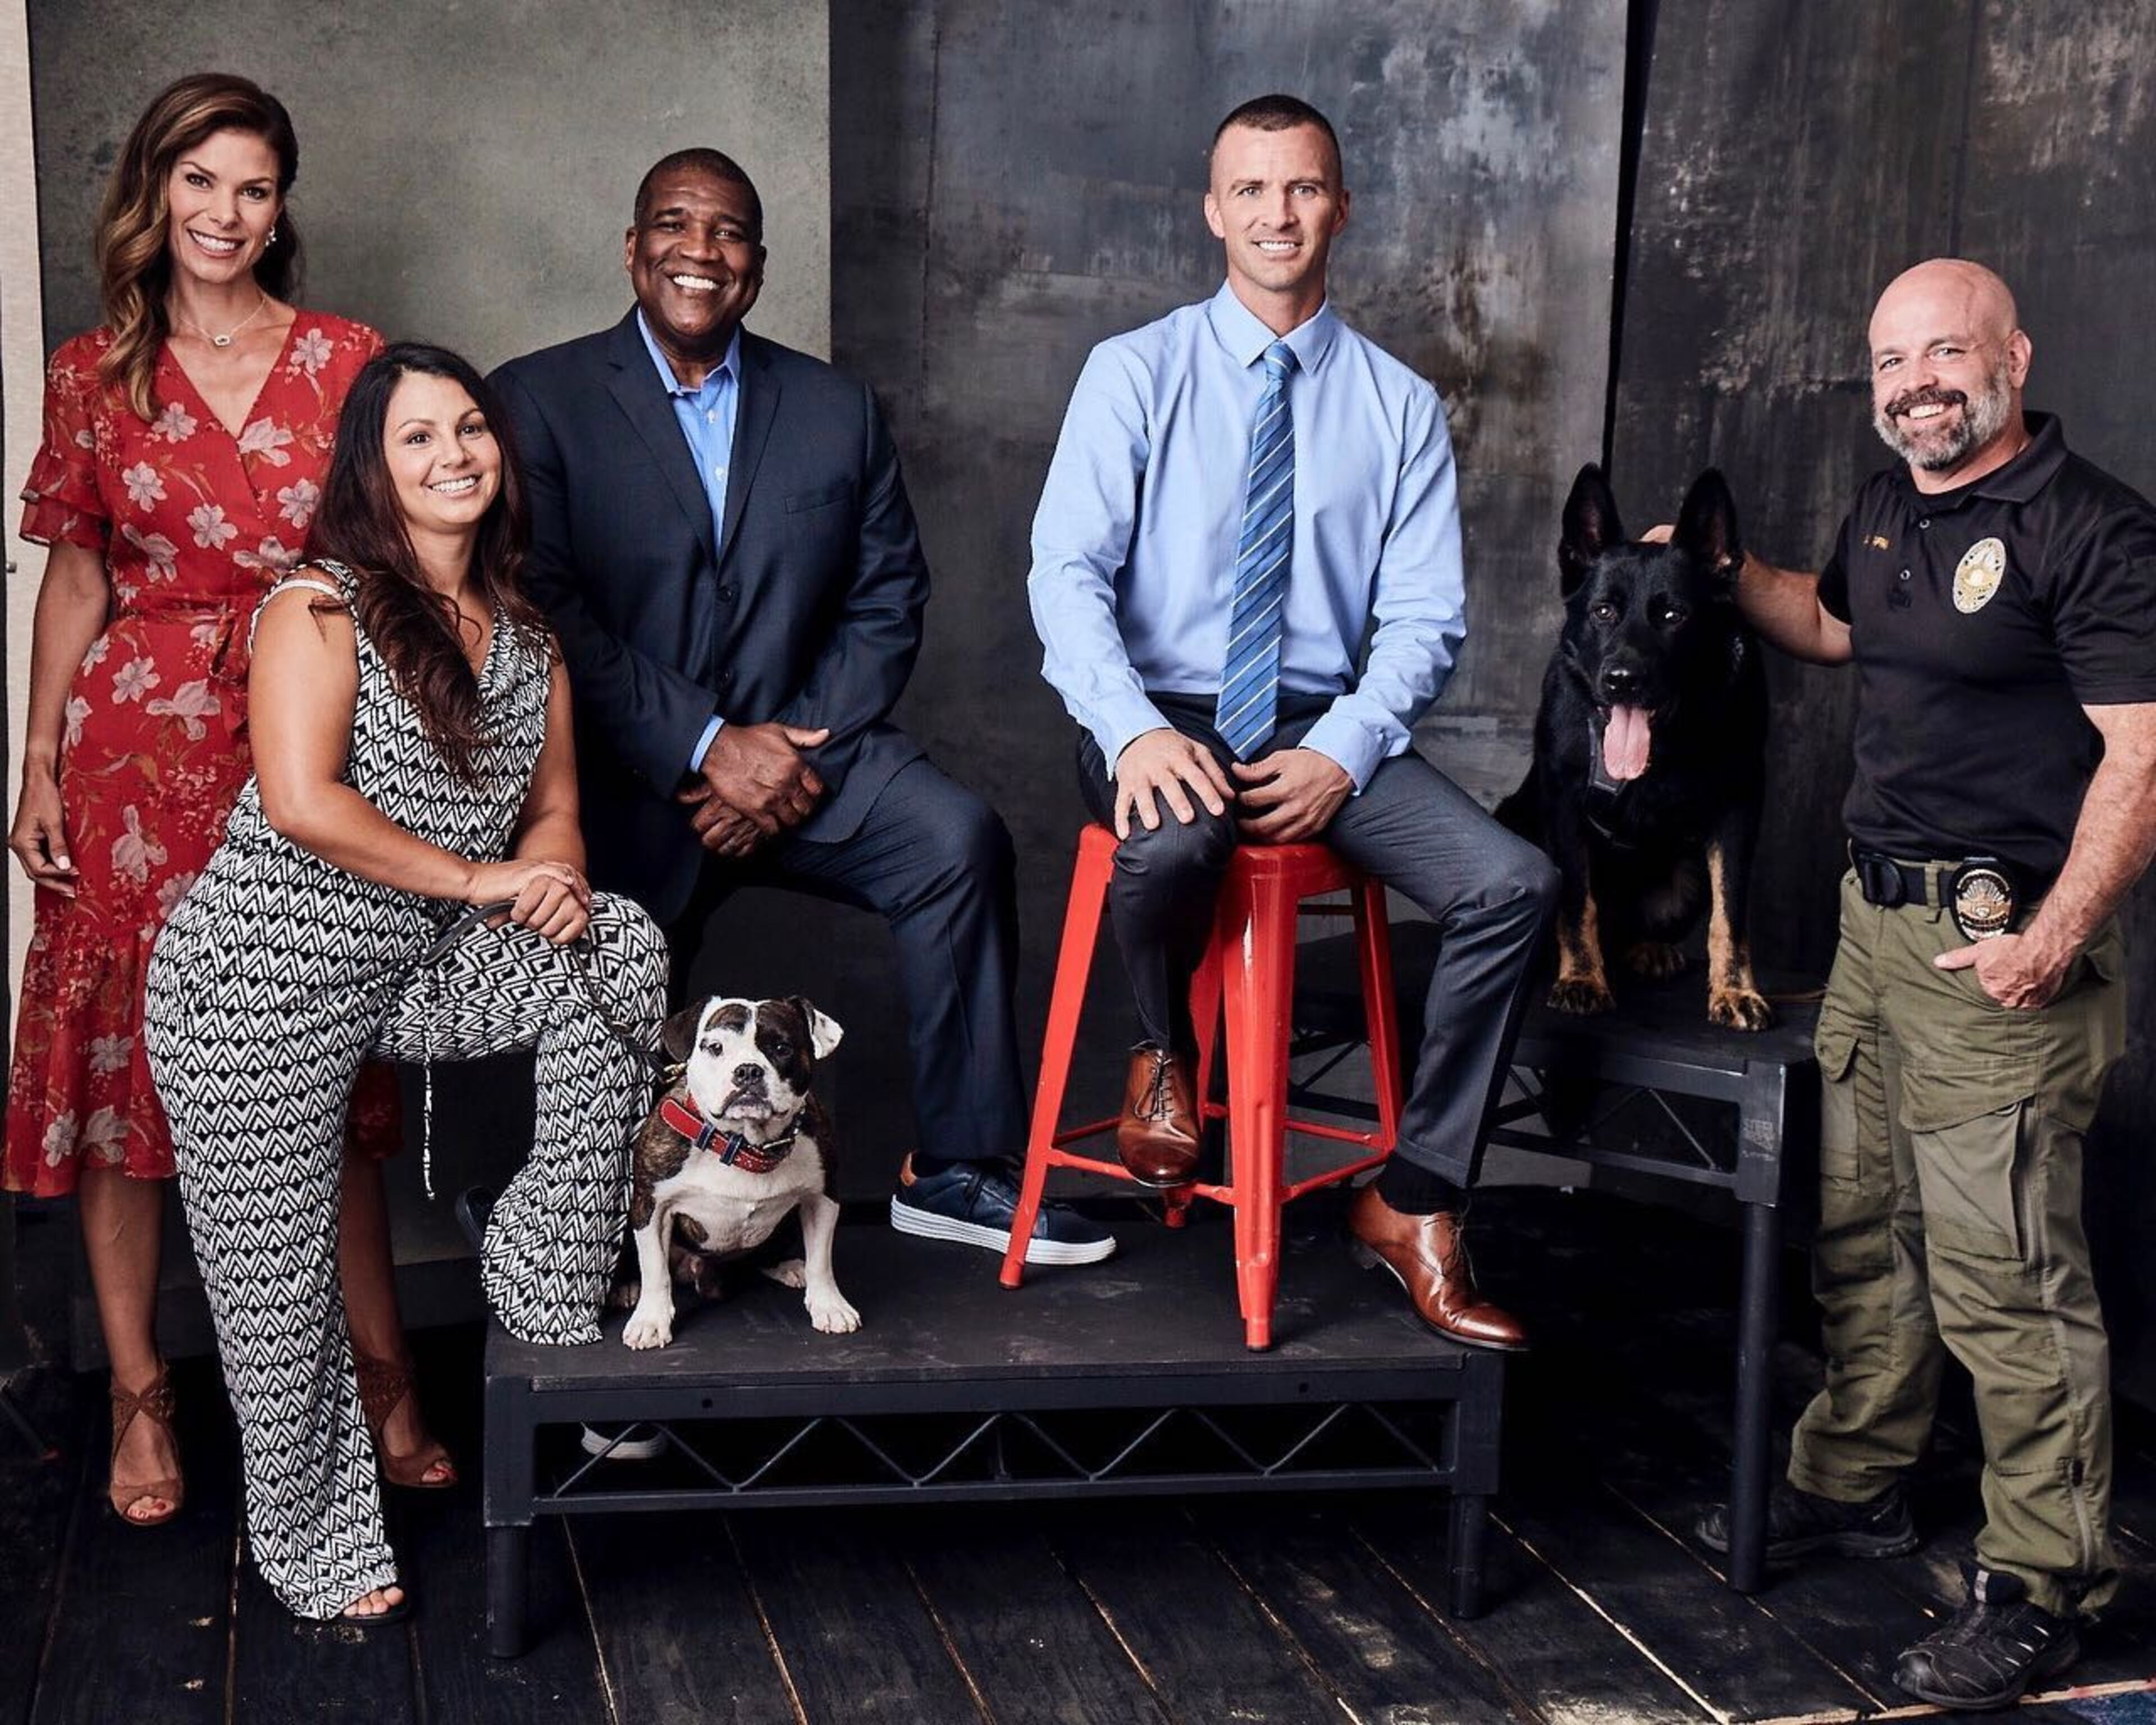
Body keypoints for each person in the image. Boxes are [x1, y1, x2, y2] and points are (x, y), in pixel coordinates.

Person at [489, 148, 1111, 1268]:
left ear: (758, 270)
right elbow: (544, 607)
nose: (700, 249)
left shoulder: (835, 410)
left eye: (727, 233)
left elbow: (889, 597)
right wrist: (705, 744)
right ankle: (610, 1227)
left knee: (952, 839)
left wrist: (784, 756)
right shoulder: (540, 400)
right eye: (674, 225)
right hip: (631, 781)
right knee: (604, 965)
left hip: (805, 761)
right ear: (632, 250)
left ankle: (961, 1171)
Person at [1688, 259, 2156, 1709]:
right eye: (1892, 365)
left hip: (1998, 951)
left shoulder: (2097, 532)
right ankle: (1855, 1484)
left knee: (2006, 1278)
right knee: (1865, 1236)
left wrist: (2054, 937)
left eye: (1944, 355)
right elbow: (1836, 626)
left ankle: (2044, 1577)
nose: (1916, 387)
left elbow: (2145, 757)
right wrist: (1721, 576)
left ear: (2013, 354)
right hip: (1874, 937)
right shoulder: (1892, 502)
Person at [141, 344, 668, 1623]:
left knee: (623, 944)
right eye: (420, 438)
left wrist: (548, 877)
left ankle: (548, 1275)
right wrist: (483, 883)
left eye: (472, 430)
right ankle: (316, 1543)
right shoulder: (317, 605)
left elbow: (554, 816)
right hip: (259, 974)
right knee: (276, 1285)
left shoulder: (529, 636)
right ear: (374, 471)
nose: (455, 456)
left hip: (418, 967)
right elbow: (305, 804)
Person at [1027, 94, 1559, 1347]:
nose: (1279, 214)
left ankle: (1416, 1197)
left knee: (1514, 885)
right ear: (1214, 212)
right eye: (1252, 191)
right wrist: (1131, 731)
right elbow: (1065, 575)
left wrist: (1345, 747)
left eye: (1304, 188)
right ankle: (1165, 1053)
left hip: (1324, 720)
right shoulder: (1136, 372)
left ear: (1341, 208)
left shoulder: (1397, 405)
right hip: (1159, 705)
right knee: (1174, 837)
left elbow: (1426, 620)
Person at [3, 71, 447, 1527]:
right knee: (127, 1084)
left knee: (320, 1080)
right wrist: (38, 760)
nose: (225, 214)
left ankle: (379, 1377)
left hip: (296, 749)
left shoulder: (348, 362)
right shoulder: (94, 374)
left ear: (281, 208)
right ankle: (141, 1391)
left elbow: (398, 566)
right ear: (156, 191)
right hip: (133, 761)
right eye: (200, 184)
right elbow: (75, 573)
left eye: (253, 188)